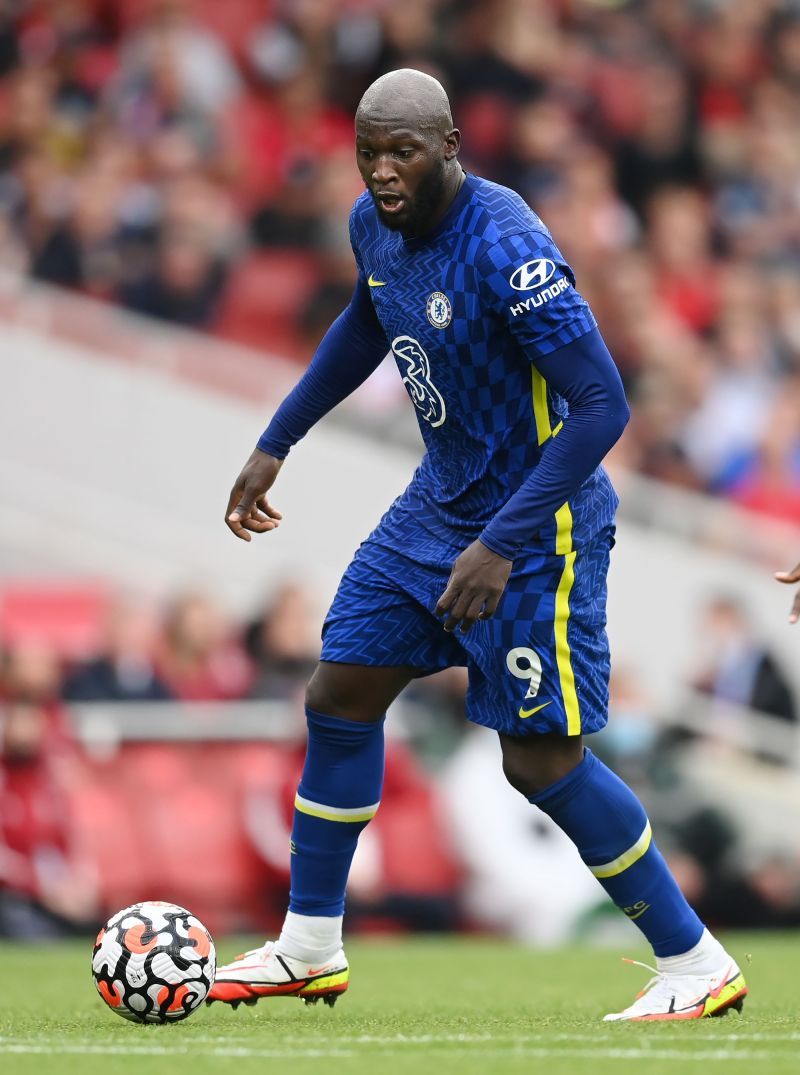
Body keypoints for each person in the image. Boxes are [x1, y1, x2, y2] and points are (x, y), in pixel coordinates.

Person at [208, 69, 747, 1022]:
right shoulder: (374, 225)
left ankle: (694, 960)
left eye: (402, 150)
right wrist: (275, 439)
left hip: (543, 523)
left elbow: (602, 405)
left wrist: (502, 541)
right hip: (438, 506)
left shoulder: (509, 247)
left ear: (450, 145)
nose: (381, 170)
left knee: (539, 762)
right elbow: (366, 322)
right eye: (368, 150)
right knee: (340, 691)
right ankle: (309, 946)